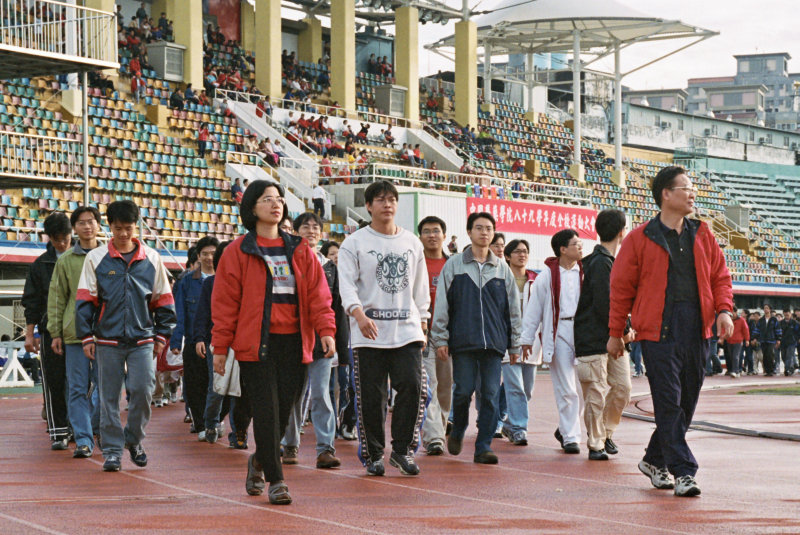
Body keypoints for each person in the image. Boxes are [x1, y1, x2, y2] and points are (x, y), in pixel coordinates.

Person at [608, 165, 733, 497]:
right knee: (667, 402)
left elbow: (720, 277)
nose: (692, 194)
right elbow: (621, 289)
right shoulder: (639, 238)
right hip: (657, 331)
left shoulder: (703, 234)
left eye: (693, 189)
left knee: (686, 402)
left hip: (698, 329)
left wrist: (723, 311)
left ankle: (653, 459)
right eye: (686, 188)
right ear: (666, 194)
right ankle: (684, 471)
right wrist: (616, 331)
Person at [211, 181, 336, 505]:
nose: (276, 204)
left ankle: (259, 461)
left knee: (283, 415)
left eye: (279, 199)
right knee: (266, 412)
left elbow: (319, 296)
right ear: (252, 208)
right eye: (267, 199)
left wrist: (326, 330)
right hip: (257, 345)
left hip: (295, 344)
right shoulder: (238, 251)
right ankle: (277, 480)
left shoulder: (299, 249)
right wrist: (221, 349)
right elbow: (225, 304)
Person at [76, 200, 176, 472]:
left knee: (143, 392)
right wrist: (86, 337)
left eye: (128, 228)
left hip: (143, 340)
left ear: (136, 227)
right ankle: (111, 450)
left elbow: (164, 301)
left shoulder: (152, 258)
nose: (123, 234)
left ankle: (134, 439)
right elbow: (85, 300)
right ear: (109, 227)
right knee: (108, 397)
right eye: (118, 228)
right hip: (107, 340)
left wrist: (161, 336)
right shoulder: (95, 258)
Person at [338, 181, 430, 477]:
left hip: (407, 332)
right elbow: (347, 286)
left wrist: (424, 320)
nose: (387, 204)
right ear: (368, 206)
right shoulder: (354, 243)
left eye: (392, 199)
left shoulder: (412, 243)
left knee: (414, 389)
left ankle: (402, 450)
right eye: (380, 200)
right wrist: (358, 315)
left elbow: (420, 287)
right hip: (369, 336)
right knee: (371, 398)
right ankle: (374, 454)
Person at [431, 212, 521, 464]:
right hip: (463, 342)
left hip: (494, 344)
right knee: (463, 392)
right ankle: (458, 428)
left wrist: (514, 344)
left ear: (493, 233)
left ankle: (483, 446)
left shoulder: (502, 269)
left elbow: (513, 309)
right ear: (469, 232)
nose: (484, 232)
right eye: (479, 228)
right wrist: (441, 339)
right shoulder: (455, 265)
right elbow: (442, 305)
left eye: (488, 228)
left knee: (491, 395)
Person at [280, 213, 350, 469]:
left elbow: (337, 308)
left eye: (315, 227)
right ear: (295, 232)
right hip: (292, 338)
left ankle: (325, 448)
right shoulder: (286, 263)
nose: (311, 230)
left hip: (322, 341)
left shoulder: (331, 268)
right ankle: (290, 443)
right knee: (293, 395)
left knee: (322, 393)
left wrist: (341, 348)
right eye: (305, 226)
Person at [574, 209, 632, 461]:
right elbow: (604, 304)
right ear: (622, 232)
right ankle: (595, 443)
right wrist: (622, 331)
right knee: (595, 394)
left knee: (623, 388)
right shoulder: (598, 263)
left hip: (613, 335)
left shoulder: (610, 262)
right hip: (596, 339)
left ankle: (606, 433)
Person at [521, 229, 584, 455]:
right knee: (567, 388)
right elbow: (533, 309)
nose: (581, 247)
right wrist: (526, 339)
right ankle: (571, 437)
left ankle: (565, 428)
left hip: (583, 332)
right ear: (563, 249)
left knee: (585, 388)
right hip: (558, 332)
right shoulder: (547, 275)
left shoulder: (584, 272)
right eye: (576, 244)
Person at [47, 206, 102, 459]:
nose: (87, 226)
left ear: (99, 225)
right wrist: (55, 332)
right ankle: (83, 439)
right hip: (74, 335)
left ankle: (100, 430)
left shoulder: (110, 256)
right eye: (81, 223)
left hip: (106, 333)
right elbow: (57, 298)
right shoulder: (66, 260)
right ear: (74, 228)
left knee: (106, 387)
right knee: (77, 388)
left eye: (91, 222)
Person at [22, 212, 72, 450]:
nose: (62, 243)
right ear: (49, 238)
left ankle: (78, 425)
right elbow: (31, 301)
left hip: (80, 330)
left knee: (81, 381)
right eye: (56, 238)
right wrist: (30, 334)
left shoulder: (83, 259)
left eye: (65, 237)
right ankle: (58, 431)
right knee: (53, 381)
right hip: (50, 329)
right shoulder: (40, 265)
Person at [172, 236, 219, 441]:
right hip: (193, 340)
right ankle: (201, 423)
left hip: (218, 342)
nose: (210, 258)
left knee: (218, 385)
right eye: (205, 253)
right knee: (195, 385)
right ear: (198, 256)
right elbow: (179, 313)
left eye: (213, 253)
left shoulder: (227, 279)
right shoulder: (186, 282)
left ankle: (214, 419)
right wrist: (176, 341)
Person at [417, 216, 451, 456]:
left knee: (446, 388)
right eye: (427, 231)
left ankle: (440, 424)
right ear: (420, 236)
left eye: (436, 231)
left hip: (450, 336)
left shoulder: (454, 265)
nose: (432, 235)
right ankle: (434, 436)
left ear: (444, 236)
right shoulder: (415, 264)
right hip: (424, 333)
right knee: (429, 385)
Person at [499, 239, 538, 447]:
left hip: (531, 343)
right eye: (517, 252)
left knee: (527, 389)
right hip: (507, 342)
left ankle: (504, 420)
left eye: (525, 251)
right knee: (516, 388)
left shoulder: (536, 280)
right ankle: (519, 428)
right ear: (507, 256)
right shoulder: (500, 279)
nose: (522, 255)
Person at [754, 305, 781, 376]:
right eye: (764, 308)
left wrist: (778, 339)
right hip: (763, 340)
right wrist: (754, 338)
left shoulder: (774, 319)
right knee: (765, 356)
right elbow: (757, 330)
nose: (765, 309)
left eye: (767, 308)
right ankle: (767, 370)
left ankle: (771, 370)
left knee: (770, 355)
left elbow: (778, 329)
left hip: (771, 340)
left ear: (770, 309)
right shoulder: (761, 320)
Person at [726, 309, 750, 378]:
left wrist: (747, 340)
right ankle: (735, 370)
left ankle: (735, 371)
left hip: (738, 341)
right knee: (731, 356)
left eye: (732, 312)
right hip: (729, 340)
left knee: (735, 356)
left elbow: (746, 330)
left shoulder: (742, 320)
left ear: (736, 312)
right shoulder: (728, 319)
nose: (731, 314)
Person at [778, 310, 798, 376]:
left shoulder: (795, 323)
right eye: (785, 315)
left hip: (791, 342)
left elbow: (798, 331)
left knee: (789, 356)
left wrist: (796, 338)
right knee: (783, 356)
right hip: (783, 342)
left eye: (788, 314)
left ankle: (787, 369)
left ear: (790, 314)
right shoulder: (781, 323)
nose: (786, 316)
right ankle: (791, 368)